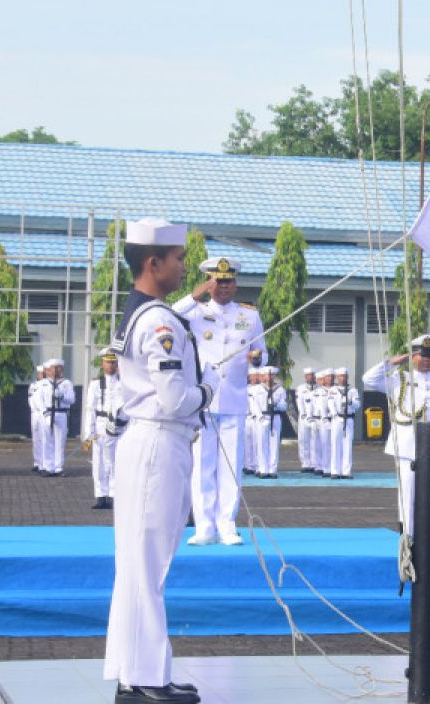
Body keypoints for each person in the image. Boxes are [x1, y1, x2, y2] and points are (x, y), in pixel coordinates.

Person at [103, 217, 212, 704]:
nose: (184, 267)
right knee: (149, 563)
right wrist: (205, 392)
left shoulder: (140, 312)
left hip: (143, 443)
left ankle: (135, 670)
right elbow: (172, 398)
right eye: (178, 259)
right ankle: (147, 677)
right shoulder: (161, 321)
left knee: (136, 563)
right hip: (158, 443)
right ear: (154, 263)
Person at [172, 256, 265, 547]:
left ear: (235, 283)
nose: (223, 287)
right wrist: (195, 294)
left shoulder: (249, 316)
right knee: (203, 464)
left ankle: (227, 524)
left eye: (228, 281)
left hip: (235, 399)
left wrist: (258, 358)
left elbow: (262, 352)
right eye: (218, 281)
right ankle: (204, 526)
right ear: (209, 282)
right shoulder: (195, 311)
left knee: (231, 466)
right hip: (204, 400)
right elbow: (169, 314)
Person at [362, 335, 430, 538]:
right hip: (407, 445)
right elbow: (368, 379)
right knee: (408, 493)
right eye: (422, 356)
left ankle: (429, 534)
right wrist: (392, 362)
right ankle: (407, 536)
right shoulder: (400, 379)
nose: (427, 360)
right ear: (414, 357)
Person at [84, 348, 122, 509]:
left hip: (118, 426)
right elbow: (90, 408)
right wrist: (89, 432)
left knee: (116, 461)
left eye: (113, 362)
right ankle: (101, 495)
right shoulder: (95, 384)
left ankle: (114, 495)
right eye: (108, 362)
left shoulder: (123, 383)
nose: (111, 365)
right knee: (99, 462)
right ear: (102, 364)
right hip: (100, 425)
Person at [37, 358, 75, 477]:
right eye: (53, 368)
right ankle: (48, 467)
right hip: (47, 413)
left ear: (62, 369)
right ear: (48, 370)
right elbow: (39, 400)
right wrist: (45, 413)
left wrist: (62, 396)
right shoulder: (42, 384)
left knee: (60, 441)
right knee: (47, 441)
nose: (56, 370)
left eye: (58, 368)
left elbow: (72, 399)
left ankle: (58, 467)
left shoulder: (66, 383)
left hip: (61, 413)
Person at [254, 365, 286, 478]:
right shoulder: (257, 389)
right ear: (264, 376)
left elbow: (284, 405)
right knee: (262, 444)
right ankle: (263, 469)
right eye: (268, 375)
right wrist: (260, 417)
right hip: (262, 417)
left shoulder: (280, 389)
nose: (270, 377)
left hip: (275, 417)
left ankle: (273, 469)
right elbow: (255, 405)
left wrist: (276, 406)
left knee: (274, 444)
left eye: (272, 375)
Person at [328, 367, 360, 479]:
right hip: (337, 419)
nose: (343, 378)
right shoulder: (333, 390)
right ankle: (335, 471)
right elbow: (330, 404)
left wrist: (350, 402)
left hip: (349, 419)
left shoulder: (353, 390)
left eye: (345, 376)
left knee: (347, 446)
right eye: (341, 376)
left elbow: (357, 405)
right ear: (337, 377)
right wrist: (335, 415)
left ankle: (346, 471)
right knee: (335, 445)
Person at [294, 367, 317, 472]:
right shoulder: (301, 388)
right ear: (305, 377)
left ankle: (314, 463)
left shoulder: (318, 388)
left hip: (315, 418)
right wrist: (304, 414)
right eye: (308, 375)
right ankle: (305, 463)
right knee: (303, 441)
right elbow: (300, 403)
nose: (310, 377)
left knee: (315, 441)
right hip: (304, 418)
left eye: (312, 375)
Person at [29, 365, 46, 472]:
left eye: (43, 373)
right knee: (36, 439)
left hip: (43, 413)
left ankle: (43, 463)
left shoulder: (47, 384)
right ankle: (37, 462)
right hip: (34, 413)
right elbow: (30, 398)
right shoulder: (33, 385)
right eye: (40, 373)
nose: (42, 375)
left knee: (44, 438)